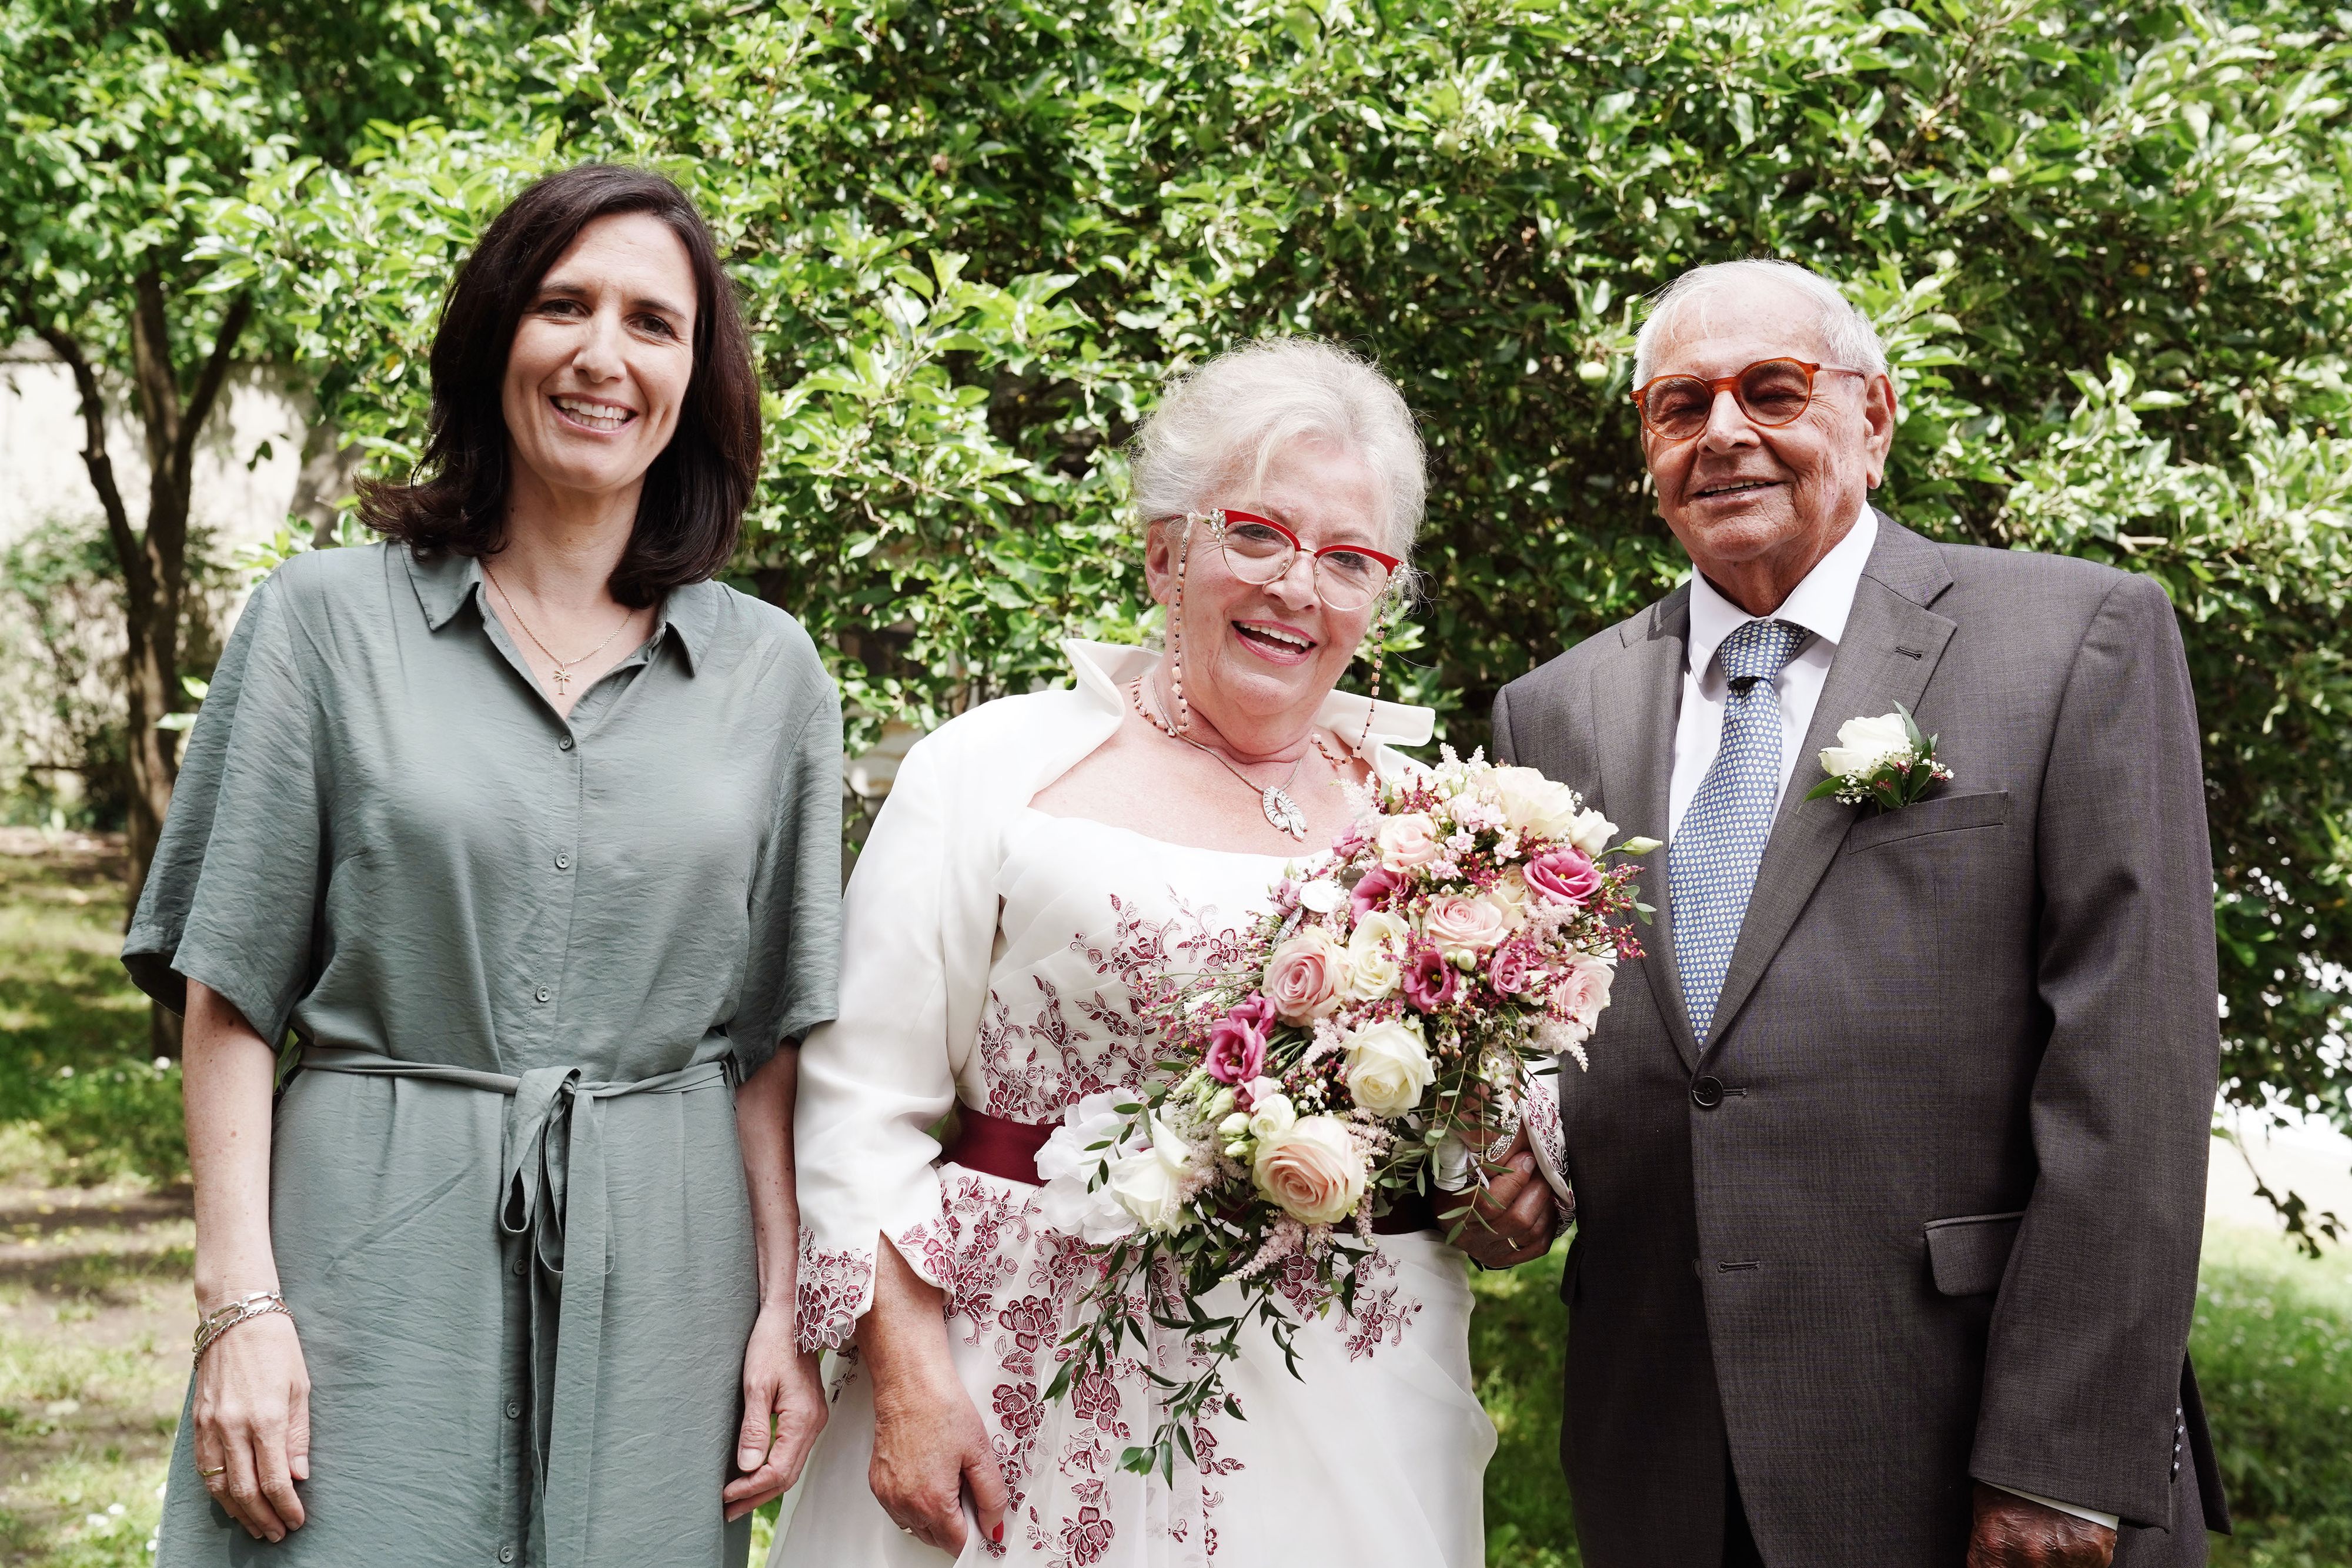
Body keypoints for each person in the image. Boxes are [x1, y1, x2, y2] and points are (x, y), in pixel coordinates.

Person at [122, 163, 843, 1566]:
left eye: (653, 321)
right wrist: (238, 1307)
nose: (601, 355)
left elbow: (767, 1043)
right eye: (561, 305)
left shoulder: (771, 674)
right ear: (494, 335)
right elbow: (226, 994)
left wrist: (780, 1312)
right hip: (363, 1261)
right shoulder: (322, 624)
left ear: (695, 376)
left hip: (666, 1283)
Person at [776, 337, 1567, 1567]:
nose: (1296, 586)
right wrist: (911, 1377)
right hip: (1021, 1391)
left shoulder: (1435, 830)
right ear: (1165, 551)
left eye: (1347, 559)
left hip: (1348, 1413)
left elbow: (1482, 1123)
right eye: (1254, 532)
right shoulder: (988, 772)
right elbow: (855, 1108)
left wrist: (1515, 1169)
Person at [1490, 258, 2230, 1567]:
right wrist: (1515, 1151)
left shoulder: (2074, 638)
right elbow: (1571, 1033)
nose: (1722, 433)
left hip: (1961, 1438)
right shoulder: (1552, 711)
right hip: (1663, 1442)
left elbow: (2133, 1070)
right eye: (1677, 406)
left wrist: (2056, 1457)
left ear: (1873, 417)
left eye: (1770, 389)